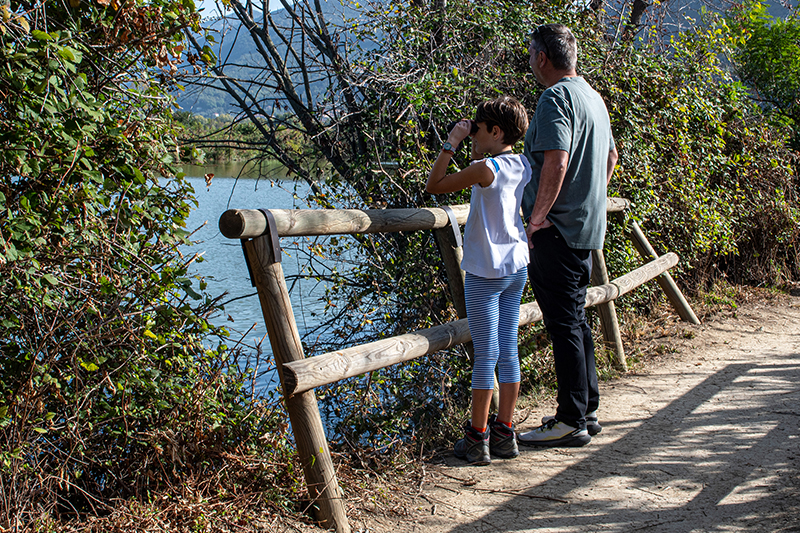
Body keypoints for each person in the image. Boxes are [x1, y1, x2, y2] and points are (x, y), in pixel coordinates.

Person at [517, 24, 618, 448]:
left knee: (563, 323)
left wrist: (537, 218)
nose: (530, 60)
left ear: (542, 57)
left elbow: (556, 161)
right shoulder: (592, 97)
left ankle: (570, 419)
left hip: (556, 230)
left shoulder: (555, 97)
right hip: (584, 228)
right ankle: (586, 409)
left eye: (531, 53)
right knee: (574, 318)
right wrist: (589, 198)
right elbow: (610, 157)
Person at [426, 96, 531, 465]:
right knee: (509, 349)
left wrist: (451, 142)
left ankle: (477, 437)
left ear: (496, 132)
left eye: (478, 129)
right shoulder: (521, 163)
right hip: (517, 266)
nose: (472, 135)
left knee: (486, 355)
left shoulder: (486, 168)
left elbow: (434, 184)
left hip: (486, 271)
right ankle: (505, 432)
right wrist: (471, 139)